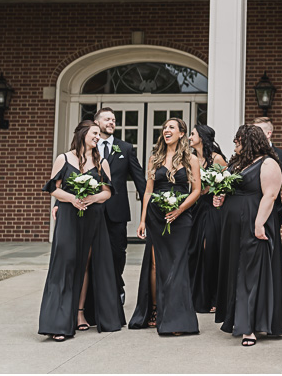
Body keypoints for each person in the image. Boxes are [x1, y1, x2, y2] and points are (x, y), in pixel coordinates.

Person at [39, 120, 124, 340]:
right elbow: (54, 189)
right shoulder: (64, 159)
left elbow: (107, 192)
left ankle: (79, 314)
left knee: (86, 264)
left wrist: (92, 198)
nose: (97, 137)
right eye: (94, 133)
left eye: (99, 134)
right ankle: (58, 321)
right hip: (69, 216)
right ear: (83, 133)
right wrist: (73, 199)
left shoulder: (101, 162)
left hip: (93, 218)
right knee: (65, 263)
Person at [214, 124, 282, 345]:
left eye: (238, 140)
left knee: (251, 271)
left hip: (254, 220)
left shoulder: (269, 163)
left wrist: (259, 224)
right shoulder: (238, 163)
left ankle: (250, 327)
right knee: (236, 269)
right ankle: (236, 319)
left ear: (249, 140)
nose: (235, 143)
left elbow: (270, 195)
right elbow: (227, 187)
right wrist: (219, 197)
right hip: (233, 225)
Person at [128, 117, 201, 335]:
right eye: (164, 127)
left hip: (181, 217)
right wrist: (142, 220)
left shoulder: (191, 159)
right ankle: (155, 310)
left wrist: (180, 210)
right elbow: (148, 191)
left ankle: (176, 317)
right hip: (155, 217)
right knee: (155, 264)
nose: (166, 130)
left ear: (181, 133)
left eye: (171, 127)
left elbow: (196, 190)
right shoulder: (154, 158)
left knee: (177, 265)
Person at [95, 107, 146, 306]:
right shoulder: (88, 146)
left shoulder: (125, 148)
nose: (111, 122)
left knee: (118, 252)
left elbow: (139, 179)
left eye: (114, 120)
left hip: (117, 210)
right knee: (94, 250)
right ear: (97, 122)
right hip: (92, 208)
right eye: (107, 119)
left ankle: (117, 286)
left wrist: (148, 207)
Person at [188, 123, 228, 314]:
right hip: (195, 208)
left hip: (212, 209)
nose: (189, 137)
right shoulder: (191, 159)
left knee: (210, 248)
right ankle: (198, 296)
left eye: (193, 134)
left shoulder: (217, 159)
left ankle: (215, 297)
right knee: (195, 250)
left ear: (202, 138)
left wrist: (215, 192)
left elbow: (227, 183)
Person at [253, 116, 282, 217]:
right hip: (250, 207)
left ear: (269, 134)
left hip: (274, 210)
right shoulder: (248, 155)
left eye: (257, 132)